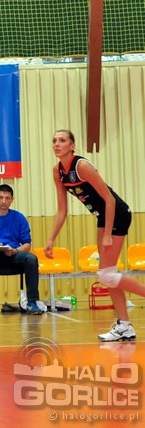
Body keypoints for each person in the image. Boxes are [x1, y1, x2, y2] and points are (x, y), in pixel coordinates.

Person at [46, 129, 142, 342]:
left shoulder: (81, 166)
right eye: (54, 141)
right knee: (108, 274)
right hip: (102, 217)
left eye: (62, 140)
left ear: (72, 146)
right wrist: (51, 239)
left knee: (107, 275)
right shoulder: (57, 171)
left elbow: (110, 199)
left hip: (117, 214)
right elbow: (62, 210)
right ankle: (124, 326)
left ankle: (125, 323)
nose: (57, 144)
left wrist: (108, 234)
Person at [0, 184, 44, 316]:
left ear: (12, 200)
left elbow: (27, 245)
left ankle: (32, 301)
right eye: (0, 197)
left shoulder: (19, 218)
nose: (3, 201)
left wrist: (15, 250)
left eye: (7, 198)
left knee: (31, 258)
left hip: (13, 255)